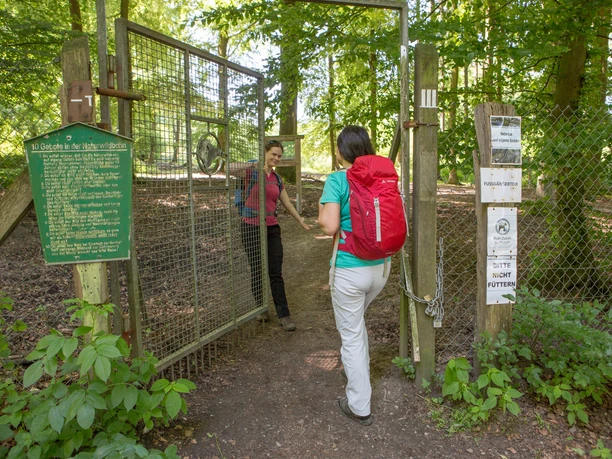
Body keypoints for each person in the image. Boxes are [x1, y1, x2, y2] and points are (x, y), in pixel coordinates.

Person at [318, 126, 390, 425]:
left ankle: (360, 405)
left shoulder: (337, 179)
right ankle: (353, 365)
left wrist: (321, 209)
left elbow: (329, 227)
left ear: (340, 151)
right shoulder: (383, 176)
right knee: (355, 324)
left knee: (351, 337)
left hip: (350, 270)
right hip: (381, 269)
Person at [235, 139, 310, 331]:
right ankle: (261, 308)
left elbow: (287, 203)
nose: (276, 158)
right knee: (257, 269)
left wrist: (299, 220)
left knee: (275, 271)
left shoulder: (277, 179)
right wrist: (254, 163)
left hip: (272, 227)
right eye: (273, 154)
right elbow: (228, 168)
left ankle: (284, 315)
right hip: (251, 227)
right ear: (265, 153)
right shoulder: (251, 172)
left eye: (279, 155)